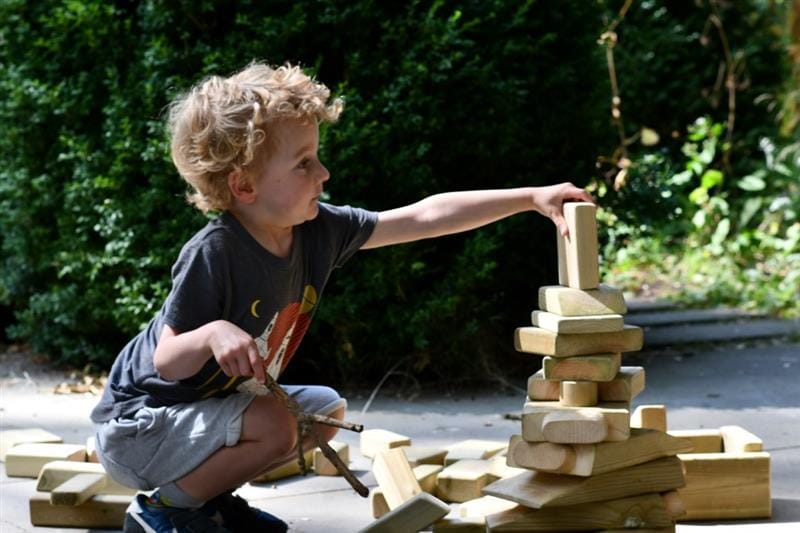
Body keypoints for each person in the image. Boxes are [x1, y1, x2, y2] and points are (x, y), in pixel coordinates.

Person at [90, 61, 594, 533]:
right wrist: (214, 332)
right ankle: (162, 510)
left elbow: (422, 216)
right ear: (243, 185)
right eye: (304, 163)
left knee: (324, 412)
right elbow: (169, 361)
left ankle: (203, 502)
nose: (324, 173)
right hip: (137, 431)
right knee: (274, 423)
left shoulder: (318, 230)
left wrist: (530, 198)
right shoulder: (215, 251)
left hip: (195, 419)